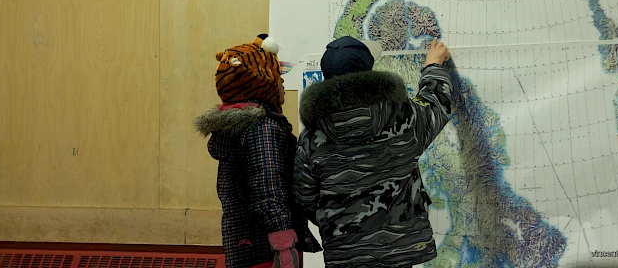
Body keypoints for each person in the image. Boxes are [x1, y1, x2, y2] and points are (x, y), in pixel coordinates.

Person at [293, 36, 454, 268]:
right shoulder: (403, 118)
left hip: (347, 253)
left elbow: (305, 197)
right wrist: (433, 66)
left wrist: (338, 222)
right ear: (369, 74)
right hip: (400, 248)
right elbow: (437, 104)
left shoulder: (311, 137)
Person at [194, 34, 321, 268]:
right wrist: (284, 243)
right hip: (270, 248)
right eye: (278, 77)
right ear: (262, 84)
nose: (283, 84)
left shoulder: (237, 128)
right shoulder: (264, 128)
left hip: (243, 243)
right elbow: (268, 188)